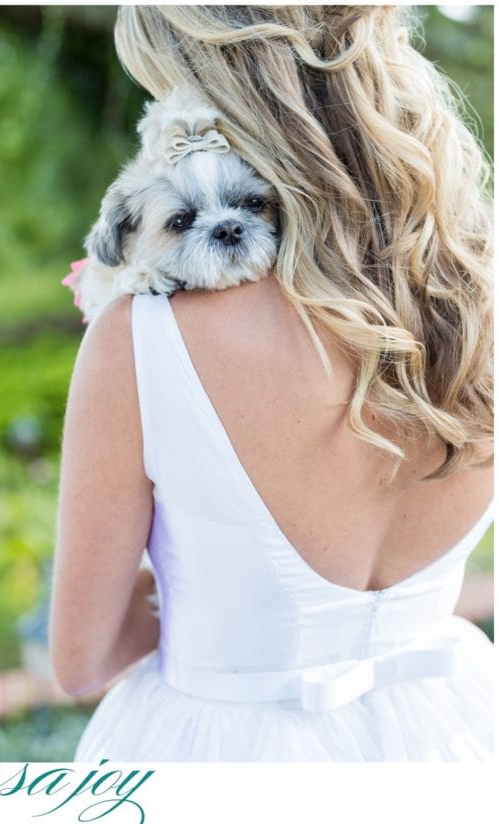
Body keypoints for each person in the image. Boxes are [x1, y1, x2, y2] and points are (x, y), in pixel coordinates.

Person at [50, 5, 493, 761]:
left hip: (225, 749)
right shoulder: (475, 298)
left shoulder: (142, 339)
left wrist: (211, 612)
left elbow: (81, 659)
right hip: (454, 737)